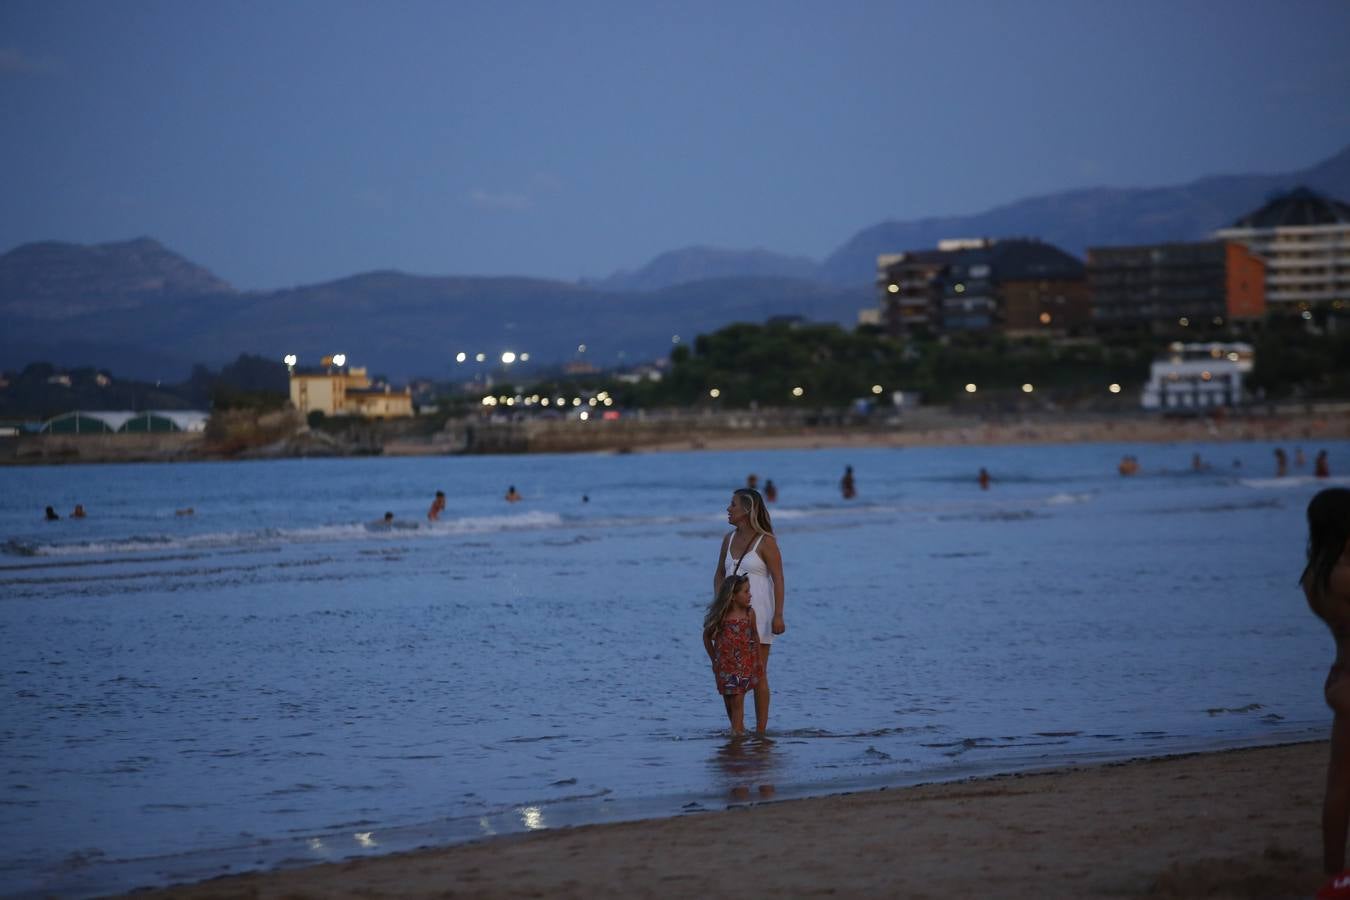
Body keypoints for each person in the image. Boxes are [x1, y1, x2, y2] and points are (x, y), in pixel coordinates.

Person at [1301, 488, 1350, 891]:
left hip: (1341, 676)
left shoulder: (1314, 575)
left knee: (1340, 783)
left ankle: (1334, 879)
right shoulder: (1343, 574)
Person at [714, 488, 786, 735]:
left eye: (732, 505)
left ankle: (761, 731)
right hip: (730, 617)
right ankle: (738, 728)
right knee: (733, 673)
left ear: (746, 510)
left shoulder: (765, 541)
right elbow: (719, 575)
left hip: (761, 615)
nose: (728, 509)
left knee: (757, 672)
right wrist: (718, 608)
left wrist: (778, 615)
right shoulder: (728, 539)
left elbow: (778, 579)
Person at [702, 574, 760, 735]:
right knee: (729, 702)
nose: (750, 595)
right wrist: (714, 660)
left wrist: (758, 661)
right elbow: (707, 636)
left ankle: (736, 736)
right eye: (746, 592)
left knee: (738, 701)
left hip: (744, 665)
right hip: (724, 666)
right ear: (733, 596)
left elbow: (755, 636)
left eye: (749, 591)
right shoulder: (721, 616)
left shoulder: (749, 614)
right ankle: (738, 731)